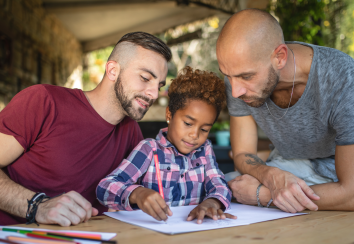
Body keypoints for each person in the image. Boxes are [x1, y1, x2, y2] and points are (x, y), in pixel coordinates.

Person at [0, 32, 171, 226]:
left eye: (160, 85)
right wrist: (37, 206)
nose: (154, 93)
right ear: (113, 70)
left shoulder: (131, 133)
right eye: (145, 78)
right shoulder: (43, 101)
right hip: (11, 241)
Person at [216, 9, 354, 213]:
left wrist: (265, 195)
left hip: (334, 177)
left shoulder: (342, 78)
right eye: (228, 76)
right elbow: (243, 153)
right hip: (284, 166)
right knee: (217, 187)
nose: (235, 91)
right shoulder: (237, 78)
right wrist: (272, 176)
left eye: (246, 77)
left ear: (279, 57)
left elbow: (350, 193)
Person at [96, 66, 236, 224]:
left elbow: (219, 184)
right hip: (153, 237)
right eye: (188, 123)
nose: (195, 135)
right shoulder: (149, 149)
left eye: (204, 129)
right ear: (169, 114)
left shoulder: (205, 150)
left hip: (195, 236)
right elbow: (105, 187)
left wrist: (213, 202)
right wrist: (137, 194)